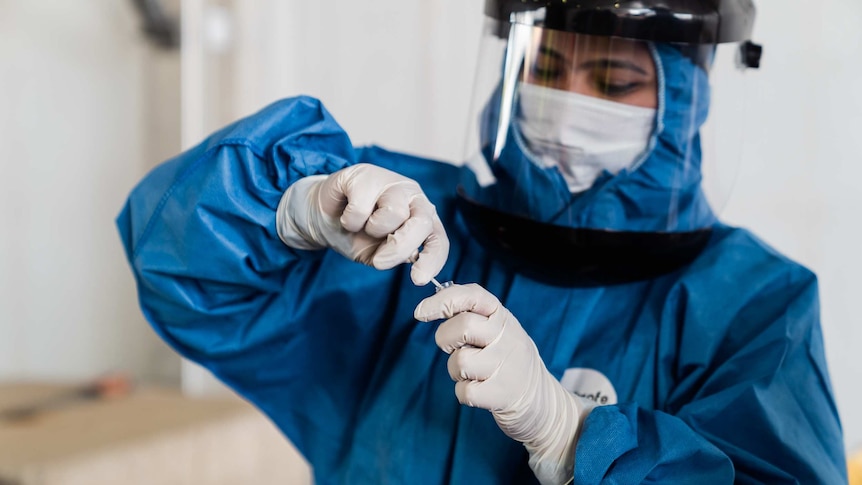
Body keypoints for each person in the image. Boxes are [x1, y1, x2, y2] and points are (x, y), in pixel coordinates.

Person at [117, 1, 847, 483]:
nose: (570, 105)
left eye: (616, 81)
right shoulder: (401, 223)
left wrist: (573, 434)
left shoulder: (755, 306)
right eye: (547, 68)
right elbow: (177, 262)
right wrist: (292, 209)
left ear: (689, 95)